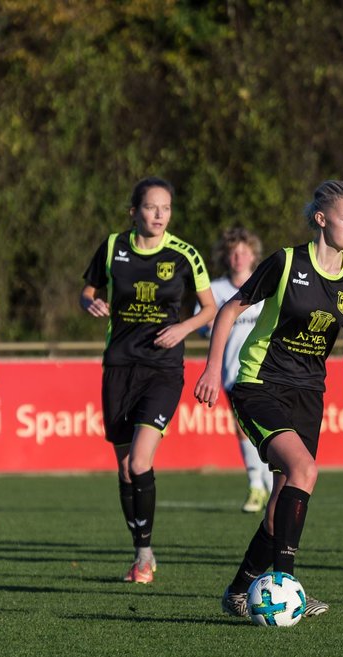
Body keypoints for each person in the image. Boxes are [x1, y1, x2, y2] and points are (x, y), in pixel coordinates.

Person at [195, 180, 343, 620]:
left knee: (280, 509)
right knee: (304, 470)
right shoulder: (285, 262)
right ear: (321, 219)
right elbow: (229, 309)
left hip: (309, 396)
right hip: (259, 383)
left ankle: (239, 591)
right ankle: (285, 583)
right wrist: (209, 367)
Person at [80, 177, 216, 584]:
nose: (160, 215)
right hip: (119, 365)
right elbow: (87, 289)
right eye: (152, 207)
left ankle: (143, 557)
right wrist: (91, 301)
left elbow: (210, 308)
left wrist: (182, 329)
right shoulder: (112, 247)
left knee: (140, 461)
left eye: (166, 208)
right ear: (134, 211)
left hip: (163, 368)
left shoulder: (183, 254)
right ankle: (142, 552)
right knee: (124, 469)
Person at [205, 227, 276, 513]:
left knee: (267, 431)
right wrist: (206, 330)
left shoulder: (266, 285)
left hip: (266, 369)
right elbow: (205, 327)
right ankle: (258, 486)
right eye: (234, 252)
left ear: (253, 255)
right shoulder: (217, 290)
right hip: (233, 372)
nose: (239, 257)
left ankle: (267, 487)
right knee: (244, 430)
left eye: (244, 251)